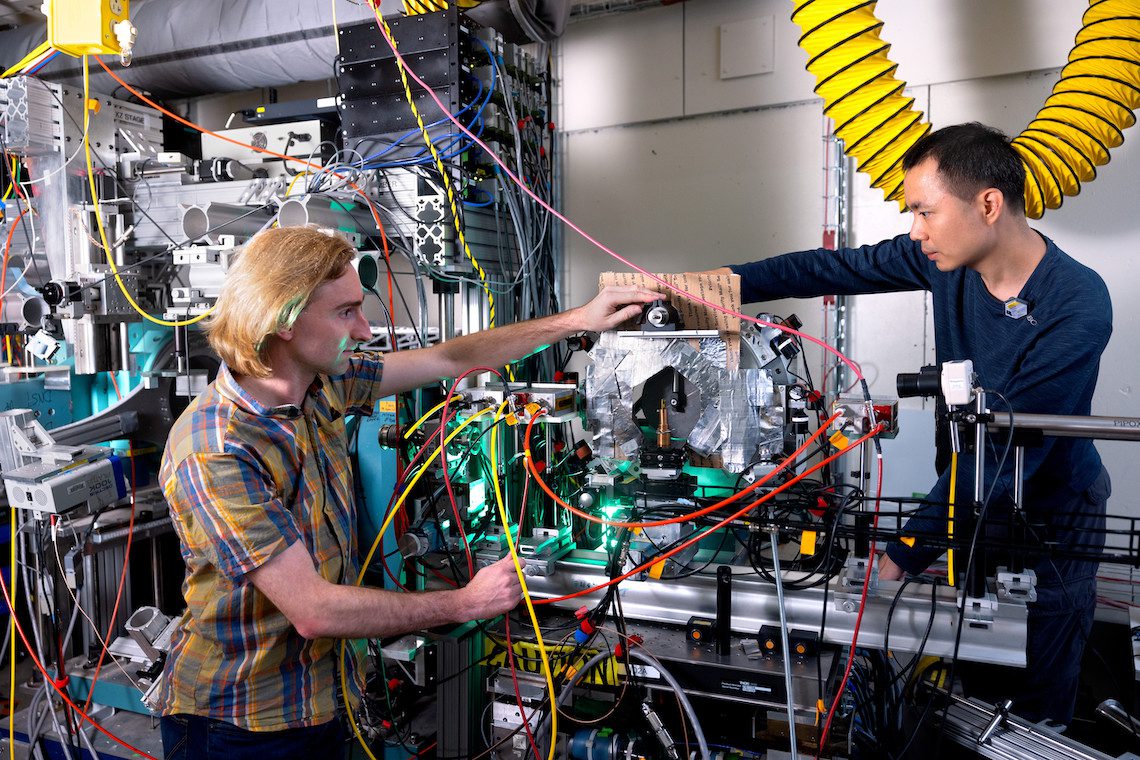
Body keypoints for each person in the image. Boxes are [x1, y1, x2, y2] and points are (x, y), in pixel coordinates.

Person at [157, 225, 660, 759]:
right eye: (345, 313)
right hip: (239, 727)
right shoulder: (217, 449)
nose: (366, 328)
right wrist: (465, 601)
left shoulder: (320, 384)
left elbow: (448, 360)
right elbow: (314, 611)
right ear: (282, 320)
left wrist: (578, 320)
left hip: (323, 704)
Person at [707, 123, 1111, 726]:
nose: (915, 231)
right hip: (968, 507)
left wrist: (901, 554)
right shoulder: (947, 263)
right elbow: (829, 269)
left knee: (1029, 710)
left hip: (1048, 529)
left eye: (925, 211)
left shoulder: (1076, 304)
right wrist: (708, 287)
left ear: (989, 205)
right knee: (969, 686)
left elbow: (1004, 459)